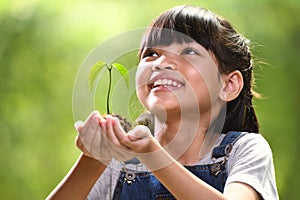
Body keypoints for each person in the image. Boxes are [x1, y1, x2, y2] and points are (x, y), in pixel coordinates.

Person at [47, 5, 279, 200]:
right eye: (151, 54)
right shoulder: (119, 165)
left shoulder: (244, 150)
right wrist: (92, 160)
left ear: (228, 85)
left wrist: (153, 154)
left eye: (188, 51)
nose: (161, 63)